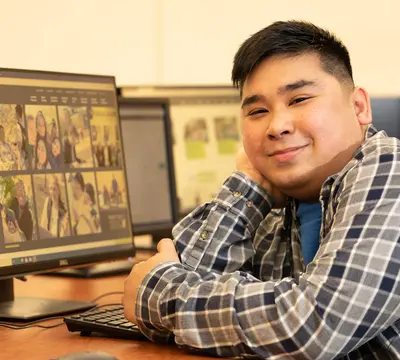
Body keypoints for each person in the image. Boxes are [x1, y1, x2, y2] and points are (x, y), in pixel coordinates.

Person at [123, 21, 400, 359]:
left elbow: (313, 326)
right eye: (258, 111)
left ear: (359, 107)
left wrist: (161, 296)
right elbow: (165, 302)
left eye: (299, 99)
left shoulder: (390, 172)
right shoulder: (274, 204)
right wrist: (248, 189)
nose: (277, 126)